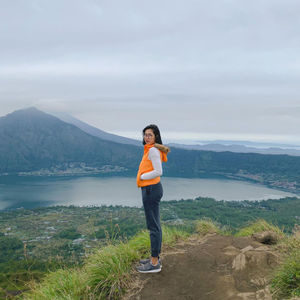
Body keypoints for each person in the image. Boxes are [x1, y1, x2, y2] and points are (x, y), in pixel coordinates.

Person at [136, 124, 170, 273]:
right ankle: (154, 257)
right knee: (155, 225)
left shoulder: (153, 151)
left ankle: (154, 263)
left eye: (150, 134)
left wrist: (142, 177)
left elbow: (158, 171)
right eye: (145, 134)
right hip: (151, 189)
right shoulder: (150, 150)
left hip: (151, 189)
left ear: (156, 136)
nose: (146, 137)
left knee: (153, 226)